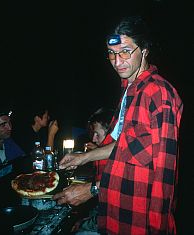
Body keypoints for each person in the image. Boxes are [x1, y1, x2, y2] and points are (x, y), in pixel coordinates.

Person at [55, 15, 183, 235]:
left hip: (139, 218)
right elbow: (128, 145)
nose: (117, 61)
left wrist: (93, 189)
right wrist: (84, 157)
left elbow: (161, 171)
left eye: (125, 51)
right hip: (117, 210)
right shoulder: (130, 88)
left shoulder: (156, 93)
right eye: (112, 53)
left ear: (144, 50)